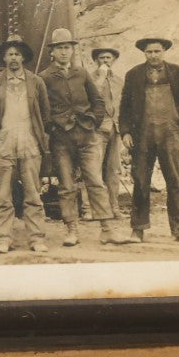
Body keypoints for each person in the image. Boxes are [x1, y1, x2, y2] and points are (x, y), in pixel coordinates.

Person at [40, 29, 130, 247]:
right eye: (60, 48)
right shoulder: (44, 78)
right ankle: (72, 230)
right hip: (61, 139)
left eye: (67, 48)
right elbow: (43, 110)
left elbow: (97, 101)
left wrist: (93, 122)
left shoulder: (81, 73)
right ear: (52, 52)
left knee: (96, 181)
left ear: (72, 50)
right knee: (67, 185)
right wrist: (53, 127)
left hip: (87, 136)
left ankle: (107, 230)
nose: (64, 52)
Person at [119, 36, 179, 243]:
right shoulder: (134, 75)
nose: (153, 55)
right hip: (142, 135)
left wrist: (176, 113)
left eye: (157, 51)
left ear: (164, 51)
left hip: (170, 134)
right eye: (149, 52)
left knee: (175, 181)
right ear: (144, 53)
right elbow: (125, 106)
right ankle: (138, 229)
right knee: (141, 181)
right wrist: (126, 131)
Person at [0, 36, 51, 254]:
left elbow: (45, 114)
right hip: (5, 142)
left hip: (29, 142)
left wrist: (38, 138)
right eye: (9, 54)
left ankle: (36, 238)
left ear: (23, 58)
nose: (13, 58)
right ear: (3, 57)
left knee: (33, 192)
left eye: (17, 54)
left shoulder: (36, 81)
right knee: (3, 194)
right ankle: (4, 237)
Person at [90, 45, 125, 222]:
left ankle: (114, 207)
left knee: (113, 170)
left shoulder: (119, 81)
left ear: (114, 60)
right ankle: (89, 209)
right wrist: (102, 76)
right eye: (102, 58)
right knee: (92, 170)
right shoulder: (90, 79)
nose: (105, 61)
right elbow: (92, 95)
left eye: (108, 58)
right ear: (96, 61)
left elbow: (124, 105)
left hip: (115, 129)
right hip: (97, 130)